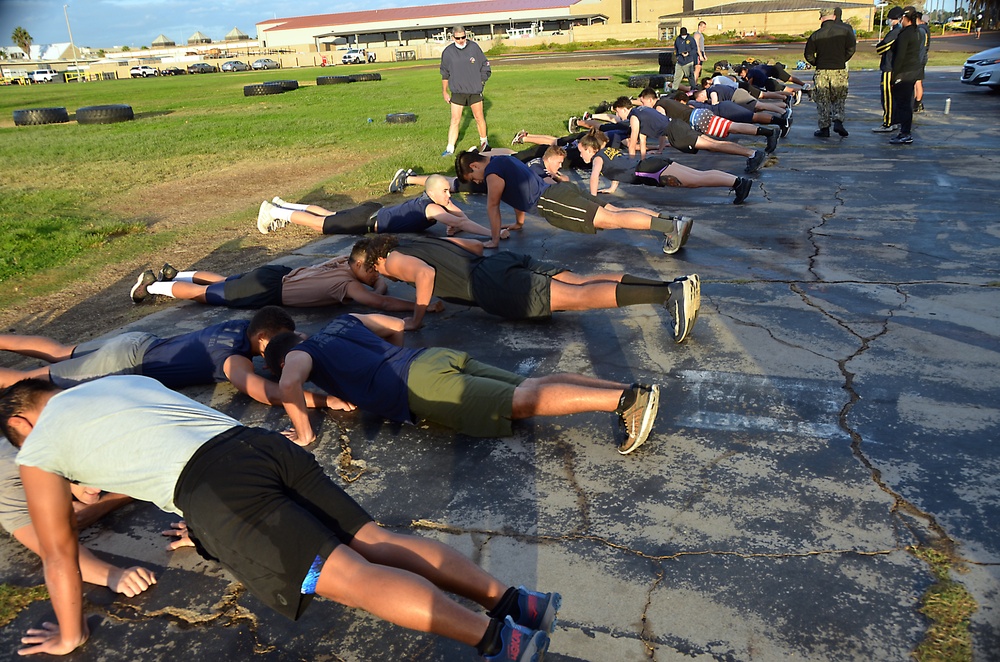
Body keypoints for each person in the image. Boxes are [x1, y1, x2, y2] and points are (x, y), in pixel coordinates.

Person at [0, 375, 560, 660]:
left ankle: (501, 642)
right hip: (258, 448)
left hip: (219, 493)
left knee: (355, 580)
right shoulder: (118, 384)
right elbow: (165, 442)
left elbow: (56, 552)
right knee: (376, 541)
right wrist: (204, 528)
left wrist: (70, 634)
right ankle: (517, 603)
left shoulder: (36, 444)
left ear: (22, 424)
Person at [264, 312, 661, 454]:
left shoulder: (297, 358)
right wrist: (363, 379)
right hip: (428, 359)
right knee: (530, 383)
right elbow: (395, 325)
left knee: (520, 402)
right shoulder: (340, 323)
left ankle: (626, 402)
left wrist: (304, 434)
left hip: (420, 384)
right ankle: (626, 389)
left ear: (283, 357)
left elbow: (289, 386)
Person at [353, 234, 701, 341]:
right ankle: (672, 285)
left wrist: (416, 317)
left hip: (491, 285)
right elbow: (472, 247)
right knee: (579, 281)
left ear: (372, 262)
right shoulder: (413, 241)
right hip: (499, 263)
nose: (371, 278)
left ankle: (667, 296)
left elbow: (425, 275)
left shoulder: (392, 260)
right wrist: (439, 291)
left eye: (364, 273)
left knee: (577, 298)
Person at [0, 307, 340, 411]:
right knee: (34, 381)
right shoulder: (234, 357)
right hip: (128, 363)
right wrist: (325, 400)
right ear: (263, 339)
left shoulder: (240, 327)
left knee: (60, 351)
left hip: (137, 342)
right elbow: (264, 392)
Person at [454, 151, 696, 254]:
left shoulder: (492, 173)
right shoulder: (503, 160)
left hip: (553, 201)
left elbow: (492, 205)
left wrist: (494, 240)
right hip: (561, 190)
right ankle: (674, 221)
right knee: (616, 210)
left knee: (613, 219)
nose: (476, 182)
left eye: (472, 178)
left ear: (474, 166)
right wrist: (518, 223)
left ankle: (670, 229)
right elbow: (517, 193)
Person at [0, 443, 157, 598]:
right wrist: (115, 575)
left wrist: (101, 506)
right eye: (84, 480)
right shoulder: (13, 483)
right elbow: (55, 552)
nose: (99, 489)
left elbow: (153, 473)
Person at [129, 254, 438, 314]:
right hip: (271, 290)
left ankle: (177, 273)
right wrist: (417, 307)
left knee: (226, 282)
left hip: (277, 273)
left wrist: (377, 283)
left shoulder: (345, 261)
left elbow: (376, 292)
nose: (377, 276)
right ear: (360, 267)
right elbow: (380, 303)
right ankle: (152, 286)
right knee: (209, 295)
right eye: (374, 272)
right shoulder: (351, 287)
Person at [256, 182, 496, 239]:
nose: (449, 194)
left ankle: (283, 204)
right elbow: (463, 222)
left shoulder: (432, 202)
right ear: (432, 193)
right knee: (322, 224)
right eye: (445, 191)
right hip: (367, 219)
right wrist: (492, 235)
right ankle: (274, 212)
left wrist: (452, 209)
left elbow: (460, 218)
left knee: (329, 215)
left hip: (373, 211)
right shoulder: (432, 208)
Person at [576, 129, 754, 204]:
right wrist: (611, 188)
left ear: (590, 149)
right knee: (698, 177)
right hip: (652, 166)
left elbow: (594, 176)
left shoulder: (597, 158)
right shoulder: (607, 152)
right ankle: (737, 183)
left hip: (651, 170)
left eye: (581, 152)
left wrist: (593, 200)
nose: (580, 155)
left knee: (697, 180)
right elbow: (618, 168)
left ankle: (738, 183)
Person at [610, 95, 769, 174]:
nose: (619, 116)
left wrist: (630, 166)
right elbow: (642, 142)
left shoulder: (634, 117)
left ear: (624, 109)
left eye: (617, 112)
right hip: (677, 125)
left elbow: (633, 143)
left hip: (676, 131)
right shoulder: (643, 110)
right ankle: (752, 154)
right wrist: (642, 164)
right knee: (714, 145)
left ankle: (752, 154)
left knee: (713, 146)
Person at [804, 8, 857, 138]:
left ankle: (824, 127)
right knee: (839, 97)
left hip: (822, 70)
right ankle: (838, 120)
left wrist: (816, 62)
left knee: (823, 99)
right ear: (834, 17)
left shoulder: (816, 35)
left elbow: (808, 54)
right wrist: (842, 59)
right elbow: (851, 49)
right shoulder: (845, 32)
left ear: (821, 18)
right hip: (839, 69)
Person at [440, 26, 491, 156]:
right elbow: (445, 73)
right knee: (455, 120)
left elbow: (485, 66)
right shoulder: (448, 52)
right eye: (458, 38)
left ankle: (484, 144)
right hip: (457, 92)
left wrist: (481, 81)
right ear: (453, 38)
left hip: (474, 91)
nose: (461, 40)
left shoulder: (474, 48)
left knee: (479, 117)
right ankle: (450, 148)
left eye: (463, 37)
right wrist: (445, 91)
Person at [888, 6, 924, 145]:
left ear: (904, 18)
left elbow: (900, 57)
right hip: (913, 71)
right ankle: (905, 131)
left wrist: (894, 76)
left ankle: (905, 133)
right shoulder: (918, 32)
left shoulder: (905, 34)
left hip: (904, 73)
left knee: (903, 104)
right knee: (906, 103)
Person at [873, 7, 904, 133]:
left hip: (889, 67)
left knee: (887, 96)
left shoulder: (895, 32)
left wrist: (879, 46)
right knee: (893, 96)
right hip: (894, 67)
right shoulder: (899, 31)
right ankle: (895, 120)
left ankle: (888, 122)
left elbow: (882, 47)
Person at [913, 12, 930, 113]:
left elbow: (921, 48)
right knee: (917, 82)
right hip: (922, 58)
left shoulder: (921, 30)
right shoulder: (925, 29)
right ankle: (917, 102)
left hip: (919, 59)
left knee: (917, 82)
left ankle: (917, 103)